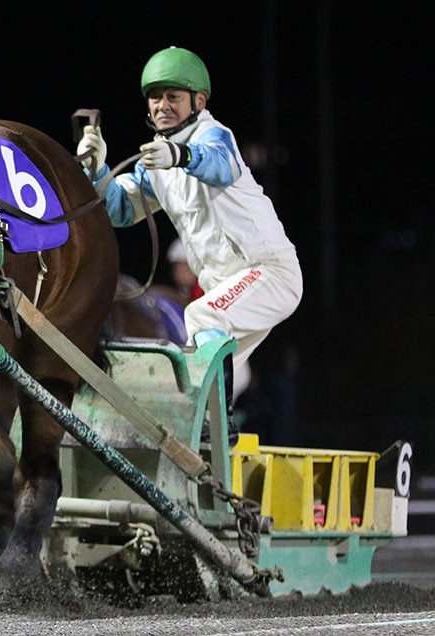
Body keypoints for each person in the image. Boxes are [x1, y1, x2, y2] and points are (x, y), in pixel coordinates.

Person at [77, 46, 302, 434]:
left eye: (173, 97)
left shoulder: (214, 135)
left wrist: (178, 153)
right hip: (233, 289)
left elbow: (218, 164)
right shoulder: (158, 166)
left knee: (200, 316)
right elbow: (117, 210)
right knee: (190, 370)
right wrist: (97, 171)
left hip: (270, 273)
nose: (162, 105)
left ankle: (218, 426)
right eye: (155, 97)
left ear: (199, 101)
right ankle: (206, 443)